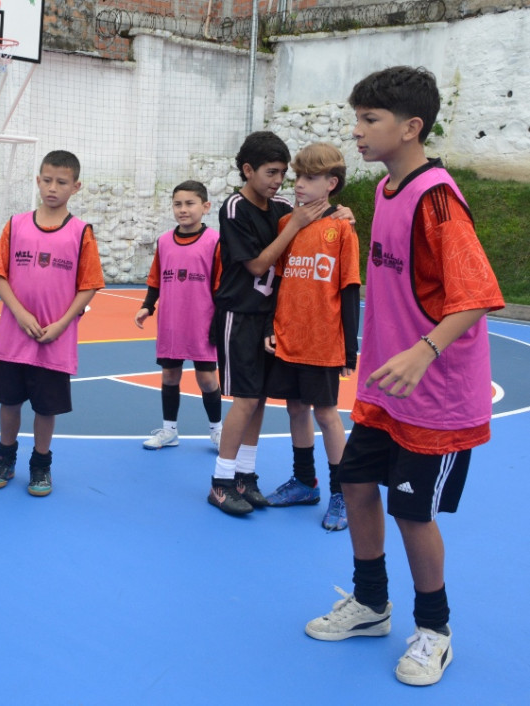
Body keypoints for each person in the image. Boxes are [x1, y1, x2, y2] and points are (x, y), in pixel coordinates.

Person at [305, 66, 504, 687]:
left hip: (435, 397)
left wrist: (424, 349)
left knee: (412, 515)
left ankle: (434, 632)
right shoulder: (386, 193)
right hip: (383, 391)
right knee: (358, 486)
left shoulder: (437, 197)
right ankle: (370, 604)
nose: (357, 132)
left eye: (370, 120)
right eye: (357, 117)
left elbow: (476, 294)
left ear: (411, 127)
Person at [208, 131, 340, 517]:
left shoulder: (282, 206)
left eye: (282, 173)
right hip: (239, 315)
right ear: (248, 170)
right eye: (270, 172)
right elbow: (258, 265)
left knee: (260, 399)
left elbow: (319, 214)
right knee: (245, 400)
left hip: (270, 319)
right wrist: (293, 225)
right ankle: (220, 481)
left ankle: (246, 476)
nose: (277, 181)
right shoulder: (234, 208)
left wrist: (340, 213)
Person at [0, 150, 105, 497]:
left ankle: (41, 464)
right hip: (14, 337)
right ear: (38, 180)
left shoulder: (81, 232)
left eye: (62, 182)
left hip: (55, 340)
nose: (53, 188)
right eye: (47, 180)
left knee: (45, 408)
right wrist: (20, 314)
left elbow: (89, 285)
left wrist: (64, 323)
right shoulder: (16, 224)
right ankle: (5, 459)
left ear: (75, 186)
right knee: (9, 403)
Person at [262, 143, 361, 531]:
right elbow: (279, 281)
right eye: (297, 176)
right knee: (295, 409)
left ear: (331, 183)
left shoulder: (342, 230)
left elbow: (350, 289)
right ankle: (305, 481)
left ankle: (343, 494)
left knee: (326, 414)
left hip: (324, 341)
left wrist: (349, 348)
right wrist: (272, 326)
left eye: (309, 178)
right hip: (289, 336)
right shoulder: (288, 225)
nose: (299, 184)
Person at [135, 180, 223, 451]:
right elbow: (155, 279)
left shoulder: (216, 241)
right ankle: (169, 430)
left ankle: (218, 432)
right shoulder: (163, 241)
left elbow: (222, 284)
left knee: (207, 379)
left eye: (189, 203)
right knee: (170, 376)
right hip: (171, 322)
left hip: (202, 322)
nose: (183, 209)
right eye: (177, 204)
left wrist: (218, 321)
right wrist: (147, 306)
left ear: (205, 206)